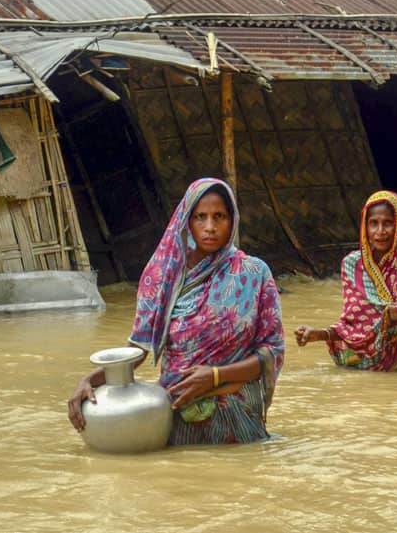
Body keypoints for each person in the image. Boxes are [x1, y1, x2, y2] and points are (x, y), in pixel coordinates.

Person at [67, 177, 284, 445]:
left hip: (239, 417)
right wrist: (88, 381)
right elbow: (138, 352)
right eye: (200, 217)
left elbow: (271, 352)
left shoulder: (254, 273)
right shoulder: (161, 276)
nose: (210, 227)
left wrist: (215, 376)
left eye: (220, 217)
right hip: (176, 414)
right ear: (186, 222)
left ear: (233, 220)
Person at [294, 190, 397, 371]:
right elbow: (352, 327)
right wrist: (319, 334)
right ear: (364, 227)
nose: (380, 232)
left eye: (388, 223)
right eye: (373, 224)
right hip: (358, 366)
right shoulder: (352, 265)